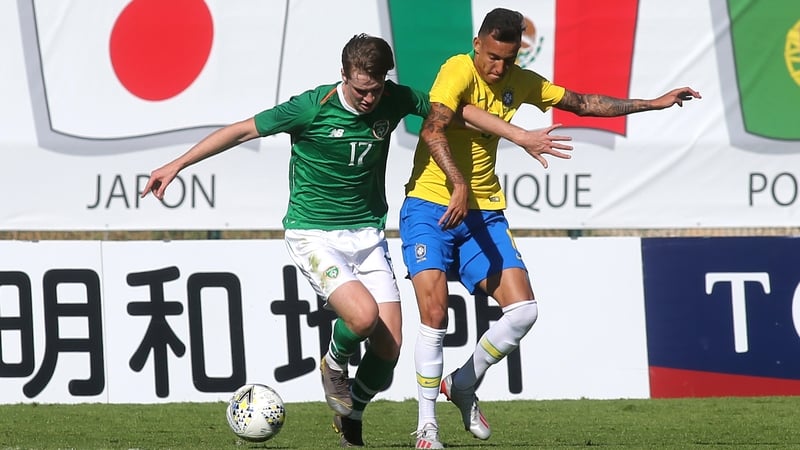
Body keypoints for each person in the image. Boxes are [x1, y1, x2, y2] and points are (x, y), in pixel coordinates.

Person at [141, 33, 571, 448]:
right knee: (363, 318)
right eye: (361, 89)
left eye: (376, 88)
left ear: (386, 79)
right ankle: (333, 361)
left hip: (367, 235)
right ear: (344, 75)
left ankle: (353, 413)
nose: (369, 99)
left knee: (389, 349)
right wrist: (177, 165)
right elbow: (239, 131)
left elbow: (452, 111)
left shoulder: (395, 99)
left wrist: (519, 135)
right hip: (314, 234)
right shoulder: (311, 108)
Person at [400, 8, 701, 449]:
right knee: (435, 315)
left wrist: (652, 103)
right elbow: (433, 127)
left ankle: (463, 383)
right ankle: (427, 426)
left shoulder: (520, 81)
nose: (499, 68)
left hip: (484, 212)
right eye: (494, 57)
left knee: (524, 312)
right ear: (479, 42)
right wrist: (462, 179)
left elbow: (582, 103)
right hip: (430, 206)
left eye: (508, 59)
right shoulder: (457, 68)